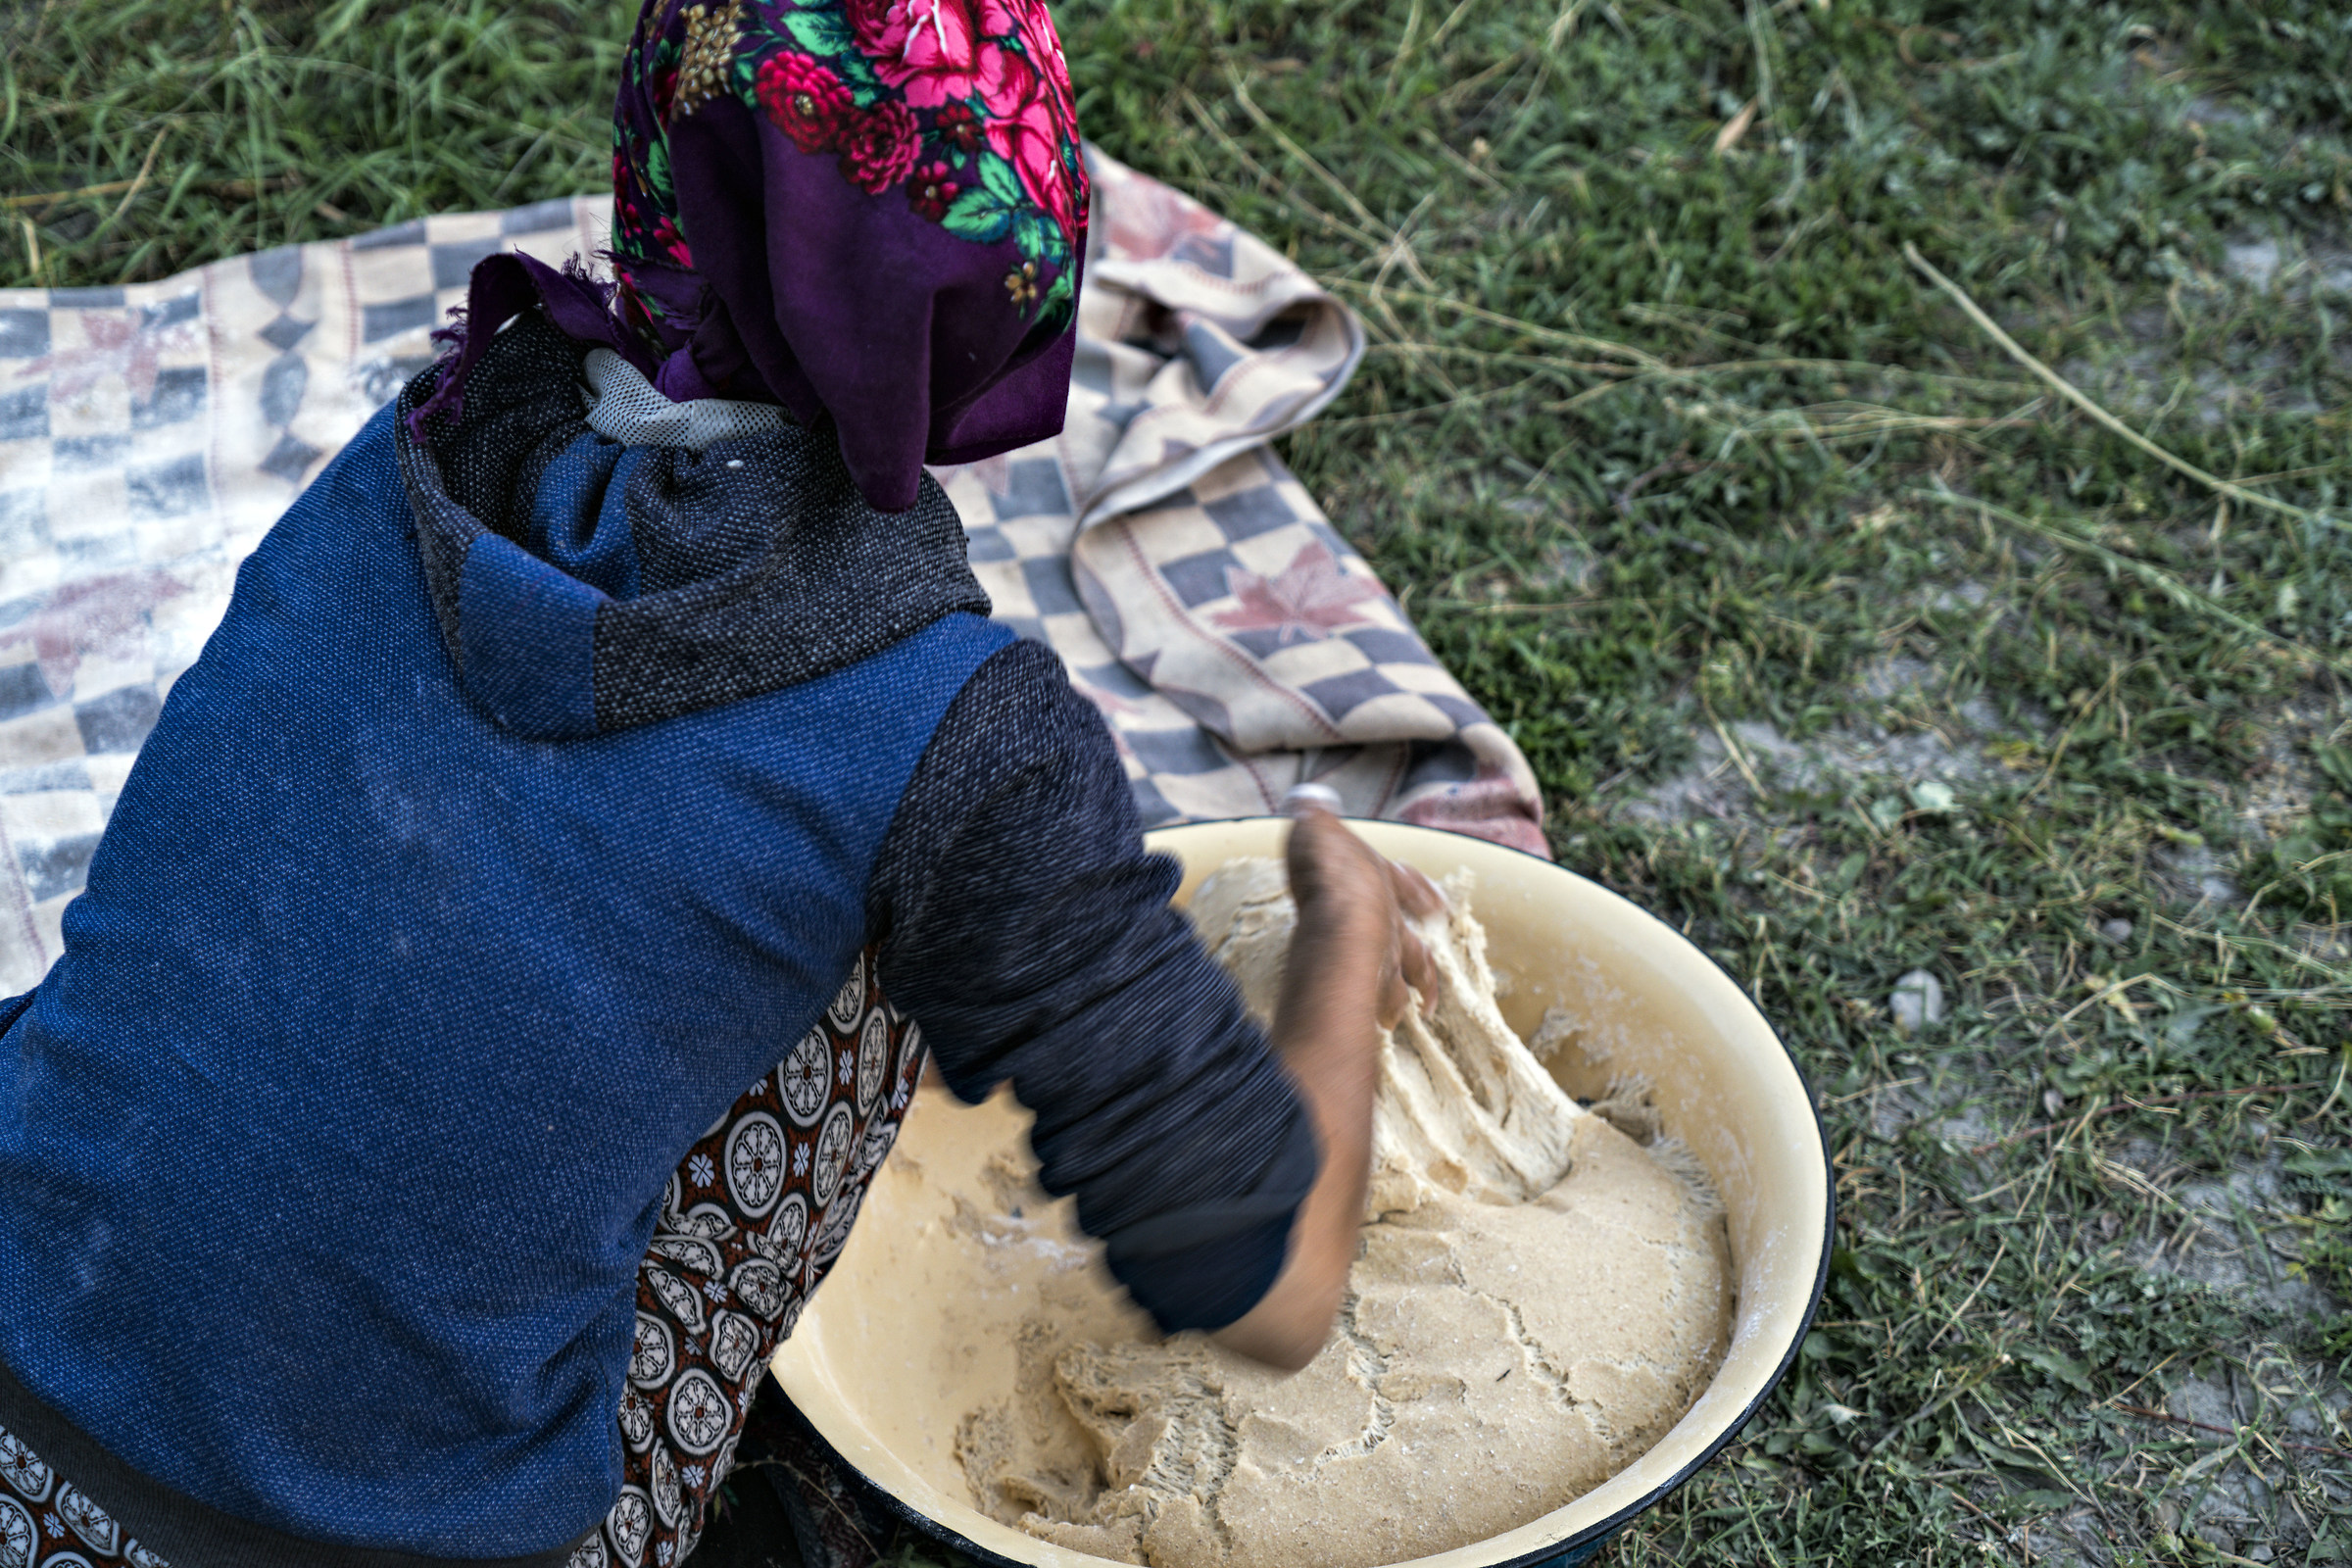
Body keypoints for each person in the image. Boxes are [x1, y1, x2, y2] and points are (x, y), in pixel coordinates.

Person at [0, 2, 1442, 1565]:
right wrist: (1343, 918)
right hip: (387, 1541)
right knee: (898, 919)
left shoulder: (406, 459)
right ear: (1011, 286)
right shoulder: (952, 732)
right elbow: (1276, 1281)